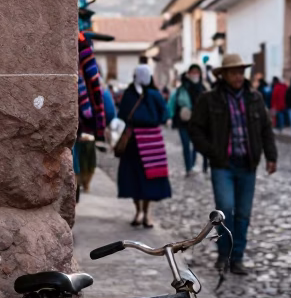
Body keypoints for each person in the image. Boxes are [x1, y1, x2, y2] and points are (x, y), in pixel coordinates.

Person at [189, 53, 277, 274]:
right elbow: (195, 129)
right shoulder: (210, 99)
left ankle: (237, 258)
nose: (239, 76)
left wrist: (271, 156)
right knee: (225, 210)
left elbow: (266, 129)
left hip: (248, 164)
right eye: (234, 72)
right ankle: (223, 255)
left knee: (244, 213)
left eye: (241, 72)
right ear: (224, 75)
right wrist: (211, 152)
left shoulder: (255, 98)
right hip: (223, 165)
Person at [116, 63, 171, 228]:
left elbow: (165, 113)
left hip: (151, 143)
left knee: (150, 178)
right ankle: (138, 210)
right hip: (133, 143)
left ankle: (147, 212)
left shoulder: (154, 95)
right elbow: (123, 115)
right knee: (133, 178)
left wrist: (153, 122)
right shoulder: (129, 94)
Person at [168, 64, 208, 175]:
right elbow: (174, 103)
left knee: (196, 145)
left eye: (197, 72)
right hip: (183, 121)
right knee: (186, 145)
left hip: (198, 123)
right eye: (193, 72)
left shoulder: (203, 88)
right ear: (188, 73)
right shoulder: (181, 89)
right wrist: (171, 117)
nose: (195, 75)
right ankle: (188, 167)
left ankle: (193, 164)